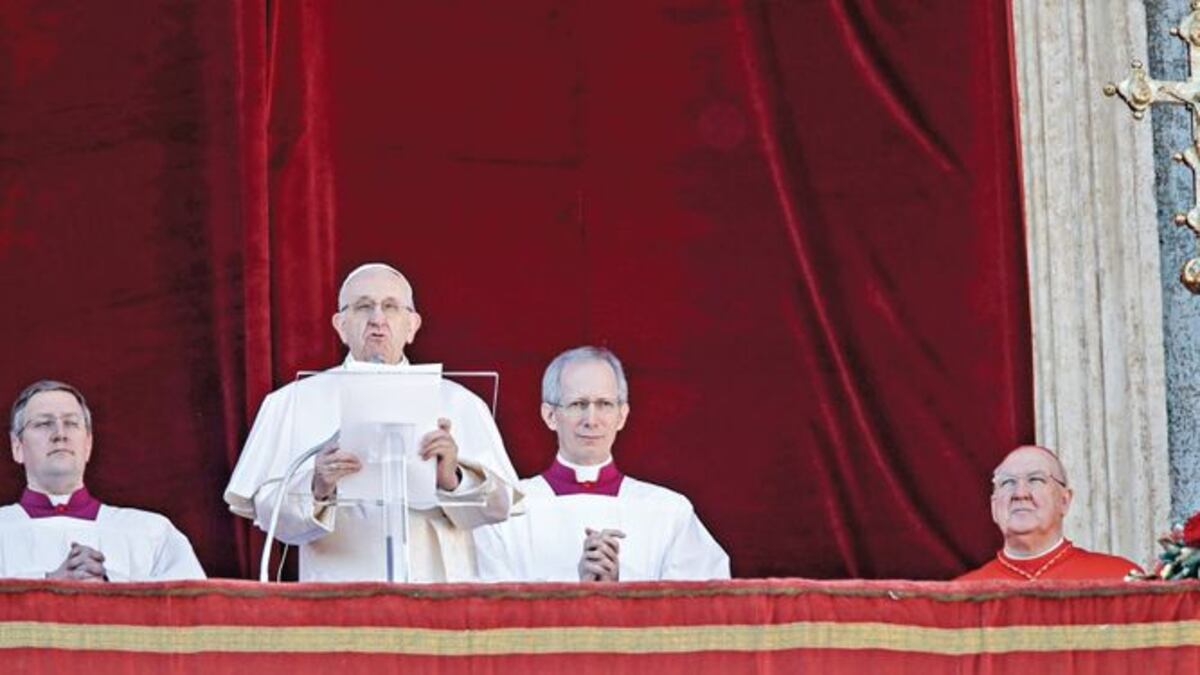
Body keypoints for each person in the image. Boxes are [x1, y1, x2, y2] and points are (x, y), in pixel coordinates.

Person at [224, 263, 519, 582]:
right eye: (363, 306)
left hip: (437, 592)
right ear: (341, 326)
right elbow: (268, 514)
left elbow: (500, 507)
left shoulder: (461, 402)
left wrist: (453, 479)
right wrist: (318, 486)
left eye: (391, 307)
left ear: (412, 326)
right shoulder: (293, 401)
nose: (377, 318)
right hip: (340, 592)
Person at [475, 346, 729, 582]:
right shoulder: (505, 511)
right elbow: (487, 605)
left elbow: (701, 605)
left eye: (604, 404)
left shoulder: (669, 511)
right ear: (550, 415)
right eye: (578, 404)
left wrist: (619, 590)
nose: (591, 420)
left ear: (622, 416)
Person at [0, 380, 205, 581]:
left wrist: (107, 585)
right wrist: (49, 583)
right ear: (17, 446)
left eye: (71, 423)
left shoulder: (151, 531)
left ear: (88, 444)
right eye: (44, 423)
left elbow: (192, 599)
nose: (60, 434)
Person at [957, 444, 1140, 581]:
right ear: (994, 507)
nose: (1020, 494)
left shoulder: (1118, 578)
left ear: (1064, 501)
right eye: (1007, 482)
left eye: (1035, 480)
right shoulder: (962, 597)